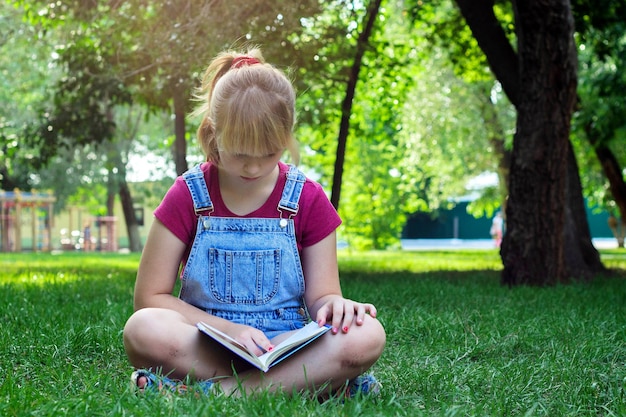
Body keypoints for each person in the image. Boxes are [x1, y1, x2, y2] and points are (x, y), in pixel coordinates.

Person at [122, 48, 386, 398]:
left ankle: (216, 393)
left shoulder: (307, 197)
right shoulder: (188, 194)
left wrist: (337, 307)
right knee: (142, 328)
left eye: (269, 154)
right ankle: (310, 385)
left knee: (367, 334)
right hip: (208, 343)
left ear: (288, 135)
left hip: (287, 344)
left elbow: (322, 297)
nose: (253, 168)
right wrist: (228, 330)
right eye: (240, 154)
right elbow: (149, 297)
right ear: (214, 133)